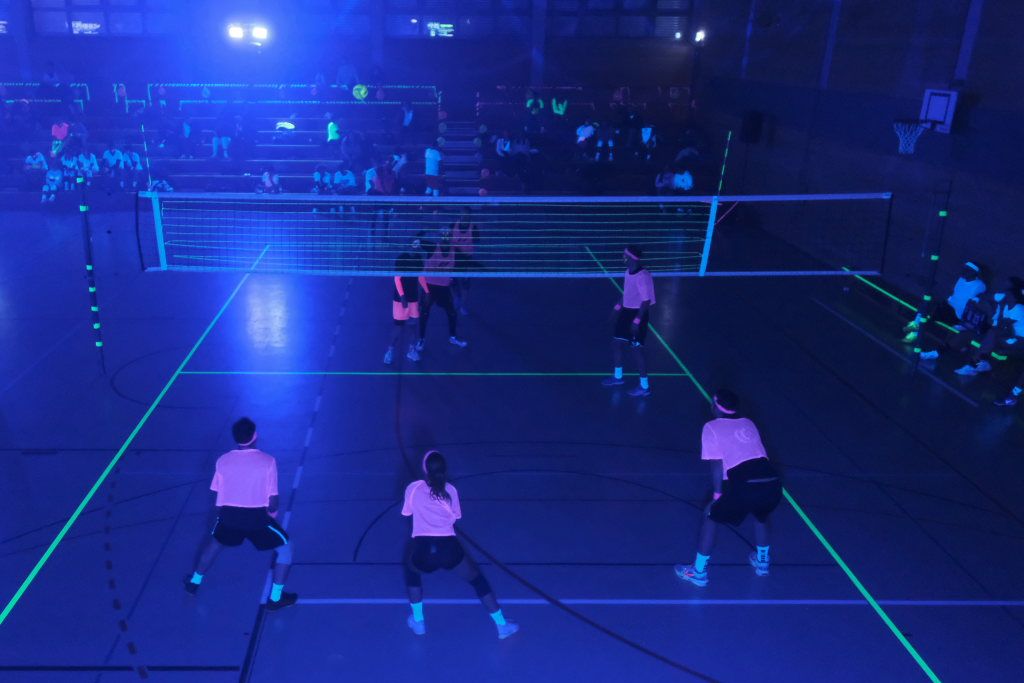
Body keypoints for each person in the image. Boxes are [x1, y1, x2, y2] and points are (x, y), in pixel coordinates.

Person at [402, 450, 519, 639]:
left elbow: (407, 513)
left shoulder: (413, 488)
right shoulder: (450, 490)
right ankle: (502, 625)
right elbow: (456, 516)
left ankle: (418, 621)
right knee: (477, 579)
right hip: (449, 549)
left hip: (424, 549)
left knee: (412, 571)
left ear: (425, 469)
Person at [183, 418, 297, 610]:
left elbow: (218, 496)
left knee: (215, 544)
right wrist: (272, 514)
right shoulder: (268, 461)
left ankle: (194, 582)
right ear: (255, 435)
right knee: (286, 549)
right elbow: (273, 502)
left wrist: (224, 518)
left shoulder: (223, 460)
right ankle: (276, 598)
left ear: (235, 437)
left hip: (229, 517)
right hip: (257, 520)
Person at [675, 390, 782, 587]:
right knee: (761, 515)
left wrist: (717, 496)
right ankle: (763, 562)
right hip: (772, 481)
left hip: (746, 482)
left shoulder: (711, 427)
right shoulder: (748, 422)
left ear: (715, 407)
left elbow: (716, 465)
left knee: (710, 515)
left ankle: (698, 572)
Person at [602, 246, 655, 397]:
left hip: (638, 314)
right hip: (626, 312)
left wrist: (637, 321)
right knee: (616, 343)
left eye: (624, 255)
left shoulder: (642, 277)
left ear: (631, 258)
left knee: (637, 351)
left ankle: (644, 387)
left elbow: (646, 301)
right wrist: (617, 307)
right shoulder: (628, 272)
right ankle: (618, 377)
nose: (622, 257)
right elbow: (628, 292)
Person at [910, 261, 987, 351]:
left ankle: (915, 331)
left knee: (934, 310)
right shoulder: (961, 279)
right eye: (964, 269)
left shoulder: (980, 285)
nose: (964, 272)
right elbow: (954, 294)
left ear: (974, 273)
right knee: (928, 304)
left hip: (958, 316)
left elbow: (979, 301)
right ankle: (915, 328)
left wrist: (976, 301)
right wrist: (947, 300)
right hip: (949, 308)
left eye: (967, 270)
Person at [954, 281, 1024, 376]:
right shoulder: (1005, 300)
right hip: (1006, 333)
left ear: (1014, 298)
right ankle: (979, 363)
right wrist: (979, 300)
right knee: (988, 334)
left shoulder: (1019, 309)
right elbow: (987, 296)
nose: (1005, 296)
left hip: (1018, 339)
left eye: (1008, 295)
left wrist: (997, 309)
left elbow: (1003, 326)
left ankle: (975, 364)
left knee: (992, 333)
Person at [417, 232, 468, 350]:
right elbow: (416, 241)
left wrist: (465, 274)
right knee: (424, 313)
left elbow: (465, 262)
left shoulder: (455, 252)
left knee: (452, 313)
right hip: (429, 287)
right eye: (443, 237)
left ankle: (452, 337)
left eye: (447, 237)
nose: (445, 239)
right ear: (440, 239)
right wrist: (422, 233)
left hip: (444, 287)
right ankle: (421, 339)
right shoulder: (432, 247)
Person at [386, 237, 428, 365]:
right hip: (400, 300)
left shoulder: (419, 259)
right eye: (414, 243)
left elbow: (420, 277)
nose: (416, 246)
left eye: (418, 244)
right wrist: (402, 296)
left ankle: (411, 350)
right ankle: (390, 351)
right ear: (409, 244)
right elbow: (397, 279)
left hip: (413, 298)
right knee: (398, 328)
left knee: (413, 326)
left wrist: (427, 291)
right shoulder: (401, 258)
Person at [451, 208, 479, 315]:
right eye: (463, 214)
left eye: (467, 215)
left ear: (470, 216)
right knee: (452, 281)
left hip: (467, 259)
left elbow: (476, 243)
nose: (465, 217)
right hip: (454, 259)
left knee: (465, 283)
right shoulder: (453, 226)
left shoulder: (473, 228)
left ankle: (462, 305)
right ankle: (457, 298)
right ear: (460, 215)